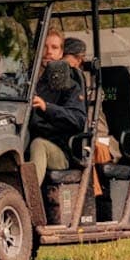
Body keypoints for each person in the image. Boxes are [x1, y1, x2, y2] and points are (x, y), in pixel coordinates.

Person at [29, 36, 87, 186]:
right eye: (44, 46)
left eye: (54, 48)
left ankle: (30, 204)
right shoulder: (26, 82)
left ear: (61, 53)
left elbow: (77, 120)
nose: (48, 52)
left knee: (38, 145)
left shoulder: (70, 86)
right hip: (23, 141)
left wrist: (46, 107)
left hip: (58, 149)